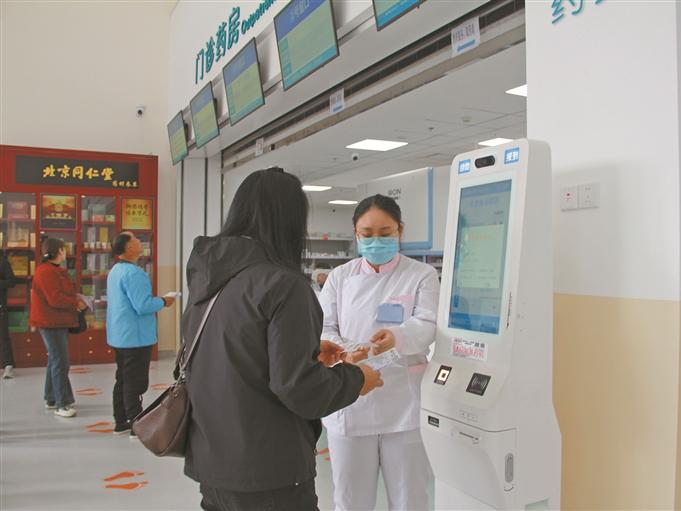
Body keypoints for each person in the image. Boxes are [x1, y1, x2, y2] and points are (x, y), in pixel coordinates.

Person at [182, 167, 383, 511]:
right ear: (290, 221)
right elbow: (298, 388)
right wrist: (356, 379)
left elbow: (229, 351)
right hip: (267, 469)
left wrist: (306, 349)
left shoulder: (209, 277)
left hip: (212, 461)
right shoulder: (283, 284)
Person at [320, 194, 440, 511]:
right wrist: (346, 352)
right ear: (356, 233)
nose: (376, 241)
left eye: (385, 233)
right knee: (351, 501)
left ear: (400, 230)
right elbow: (324, 328)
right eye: (367, 234)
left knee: (410, 500)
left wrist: (397, 337)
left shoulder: (421, 275)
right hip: (350, 400)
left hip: (403, 404)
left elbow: (428, 324)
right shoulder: (340, 277)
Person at [107, 231, 174, 435]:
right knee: (134, 382)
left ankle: (121, 421)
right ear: (129, 248)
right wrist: (163, 301)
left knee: (123, 378)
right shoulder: (134, 273)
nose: (139, 241)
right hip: (135, 337)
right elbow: (143, 306)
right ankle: (137, 424)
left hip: (120, 335)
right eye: (135, 239)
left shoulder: (115, 270)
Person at [30, 238, 87, 418]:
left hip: (57, 321)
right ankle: (62, 404)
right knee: (61, 362)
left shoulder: (51, 270)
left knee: (54, 360)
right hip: (51, 322)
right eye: (64, 249)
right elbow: (55, 299)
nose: (65, 253)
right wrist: (76, 303)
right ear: (59, 251)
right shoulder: (46, 272)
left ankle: (51, 398)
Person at [1, 249, 21, 379]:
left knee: (3, 337)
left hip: (0, 307)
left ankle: (8, 367)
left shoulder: (3, 262)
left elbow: (12, 281)